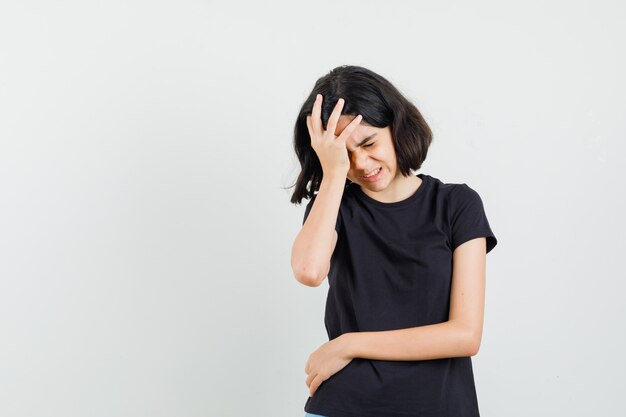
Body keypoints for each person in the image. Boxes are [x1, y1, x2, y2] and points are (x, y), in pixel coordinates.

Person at [289, 65, 498, 417]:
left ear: (396, 126)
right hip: (345, 406)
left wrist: (350, 344)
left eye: (369, 143)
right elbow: (309, 271)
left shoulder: (456, 205)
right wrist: (334, 173)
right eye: (345, 154)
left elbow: (465, 335)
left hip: (439, 407)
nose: (362, 163)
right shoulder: (333, 208)